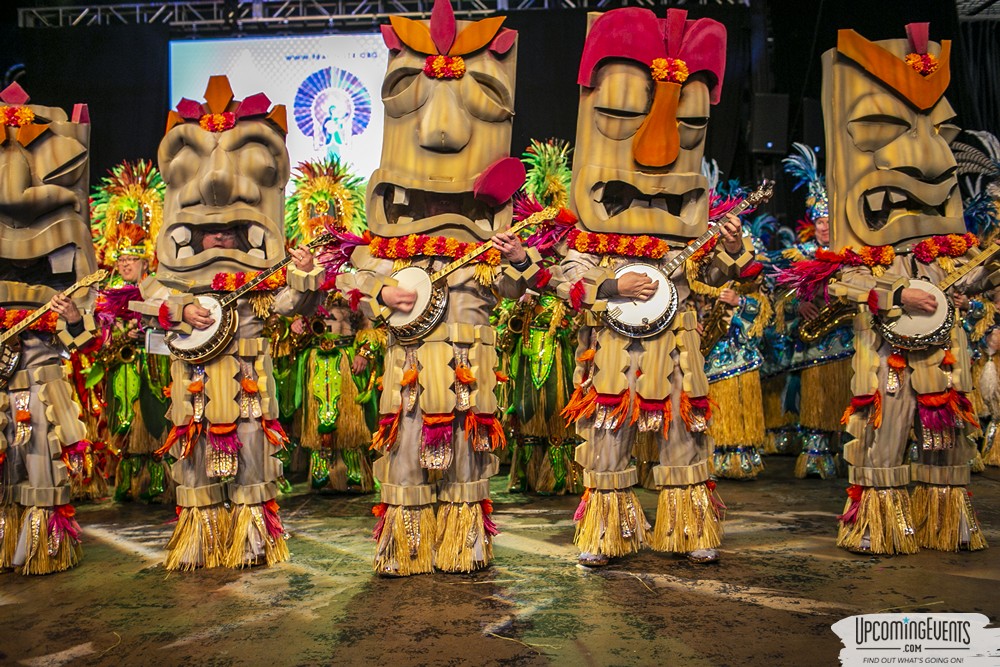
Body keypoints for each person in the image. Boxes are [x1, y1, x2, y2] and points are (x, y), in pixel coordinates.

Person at [557, 7, 751, 566]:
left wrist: (731, 248)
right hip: (612, 350)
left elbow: (713, 277)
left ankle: (689, 529)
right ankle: (606, 533)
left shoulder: (684, 238)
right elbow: (565, 279)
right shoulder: (591, 235)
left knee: (684, 436)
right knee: (608, 435)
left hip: (678, 350)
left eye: (691, 126)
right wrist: (613, 285)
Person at [132, 76, 323, 570]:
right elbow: (144, 303)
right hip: (192, 391)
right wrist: (180, 311)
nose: (217, 184)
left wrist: (304, 278)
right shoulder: (172, 280)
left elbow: (290, 306)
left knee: (254, 458)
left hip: (248, 391)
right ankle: (200, 539)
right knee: (193, 462)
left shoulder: (261, 283)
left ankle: (253, 540)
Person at [0, 83, 99, 574]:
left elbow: (83, 339)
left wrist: (74, 317)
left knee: (42, 459)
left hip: (40, 376)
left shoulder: (69, 251)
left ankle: (43, 547)